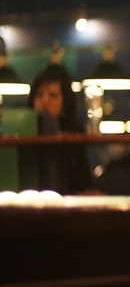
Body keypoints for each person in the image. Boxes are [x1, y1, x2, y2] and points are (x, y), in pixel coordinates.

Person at [27, 65, 92, 193]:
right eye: (39, 95)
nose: (45, 100)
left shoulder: (73, 131)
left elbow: (82, 181)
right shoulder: (24, 131)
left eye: (53, 95)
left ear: (65, 101)